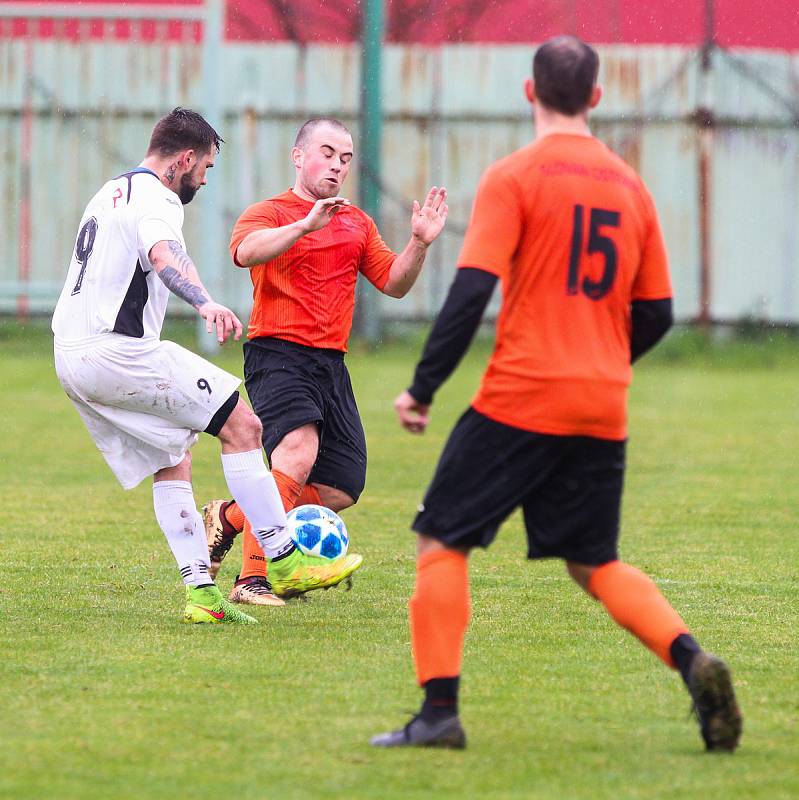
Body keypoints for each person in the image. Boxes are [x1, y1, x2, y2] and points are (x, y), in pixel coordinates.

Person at [370, 37, 742, 751]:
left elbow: (471, 289)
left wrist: (421, 388)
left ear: (527, 91)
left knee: (441, 537)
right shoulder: (630, 186)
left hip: (522, 394)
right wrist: (603, 357)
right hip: (600, 403)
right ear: (595, 98)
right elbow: (658, 313)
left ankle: (438, 714)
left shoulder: (513, 176)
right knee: (594, 562)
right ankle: (692, 659)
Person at [51, 107, 361, 623]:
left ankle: (202, 595)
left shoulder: (111, 191)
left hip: (71, 355)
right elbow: (165, 254)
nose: (204, 178)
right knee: (244, 425)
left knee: (173, 457)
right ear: (186, 158)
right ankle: (283, 560)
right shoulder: (159, 197)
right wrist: (204, 302)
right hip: (118, 352)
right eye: (206, 168)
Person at [202, 117, 448, 606]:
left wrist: (418, 243)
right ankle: (253, 579)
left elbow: (394, 283)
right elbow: (245, 253)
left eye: (346, 158)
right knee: (296, 451)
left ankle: (229, 518)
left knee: (340, 486)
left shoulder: (357, 222)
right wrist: (305, 223)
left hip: (330, 364)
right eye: (328, 153)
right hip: (277, 353)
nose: (337, 165)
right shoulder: (269, 212)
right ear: (298, 157)